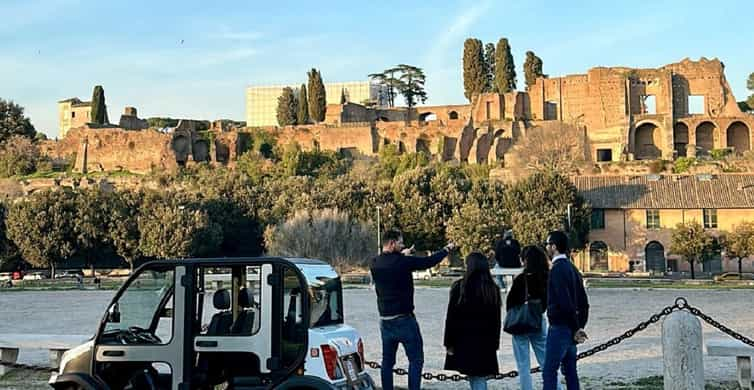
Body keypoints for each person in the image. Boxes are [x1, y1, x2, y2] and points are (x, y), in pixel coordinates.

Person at [369, 229, 455, 390]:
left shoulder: (374, 263)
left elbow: (392, 260)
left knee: (387, 361)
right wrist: (446, 249)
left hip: (385, 320)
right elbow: (428, 262)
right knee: (416, 360)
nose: (403, 246)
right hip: (404, 319)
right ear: (393, 243)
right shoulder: (403, 263)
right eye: (401, 243)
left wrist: (403, 253)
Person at [506, 246, 562, 390]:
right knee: (545, 361)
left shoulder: (521, 279)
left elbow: (510, 302)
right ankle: (556, 387)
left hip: (520, 323)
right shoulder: (546, 277)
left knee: (523, 365)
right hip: (538, 319)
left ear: (525, 260)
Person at [443, 252, 501, 390]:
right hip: (485, 341)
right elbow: (496, 321)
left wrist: (449, 343)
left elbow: (451, 317)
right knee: (478, 376)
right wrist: (495, 344)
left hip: (464, 340)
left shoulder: (460, 287)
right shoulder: (492, 289)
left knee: (475, 377)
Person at [542, 231, 590, 390]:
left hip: (560, 327)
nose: (546, 248)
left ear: (554, 246)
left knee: (549, 371)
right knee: (570, 372)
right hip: (572, 328)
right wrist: (580, 325)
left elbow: (565, 302)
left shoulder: (556, 270)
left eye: (548, 245)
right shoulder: (573, 269)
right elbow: (584, 303)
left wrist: (576, 328)